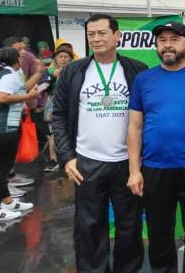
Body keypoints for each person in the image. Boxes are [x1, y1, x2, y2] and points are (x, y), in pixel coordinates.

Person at [51, 14, 148, 273]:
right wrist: (67, 157)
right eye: (91, 34)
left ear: (117, 36)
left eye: (102, 33)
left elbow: (149, 115)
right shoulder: (74, 71)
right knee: (89, 226)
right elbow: (59, 115)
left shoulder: (137, 70)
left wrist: (140, 162)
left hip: (126, 163)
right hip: (87, 162)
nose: (96, 39)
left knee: (129, 226)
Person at [126, 22, 185, 273]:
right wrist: (134, 170)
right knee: (159, 233)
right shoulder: (144, 80)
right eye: (162, 40)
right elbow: (135, 127)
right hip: (155, 167)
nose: (167, 44)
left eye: (174, 39)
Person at [0, 47, 40, 222]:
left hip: (1, 127)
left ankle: (7, 201)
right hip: (2, 128)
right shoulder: (10, 75)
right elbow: (2, 98)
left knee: (0, 168)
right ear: (17, 61)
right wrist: (29, 96)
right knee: (0, 169)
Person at [43, 43, 75, 173]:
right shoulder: (49, 71)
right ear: (55, 58)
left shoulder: (75, 70)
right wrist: (52, 77)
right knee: (54, 133)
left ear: (70, 58)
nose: (63, 59)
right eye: (60, 56)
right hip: (54, 106)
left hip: (71, 106)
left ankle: (71, 159)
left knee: (72, 131)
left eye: (66, 56)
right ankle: (53, 160)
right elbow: (43, 88)